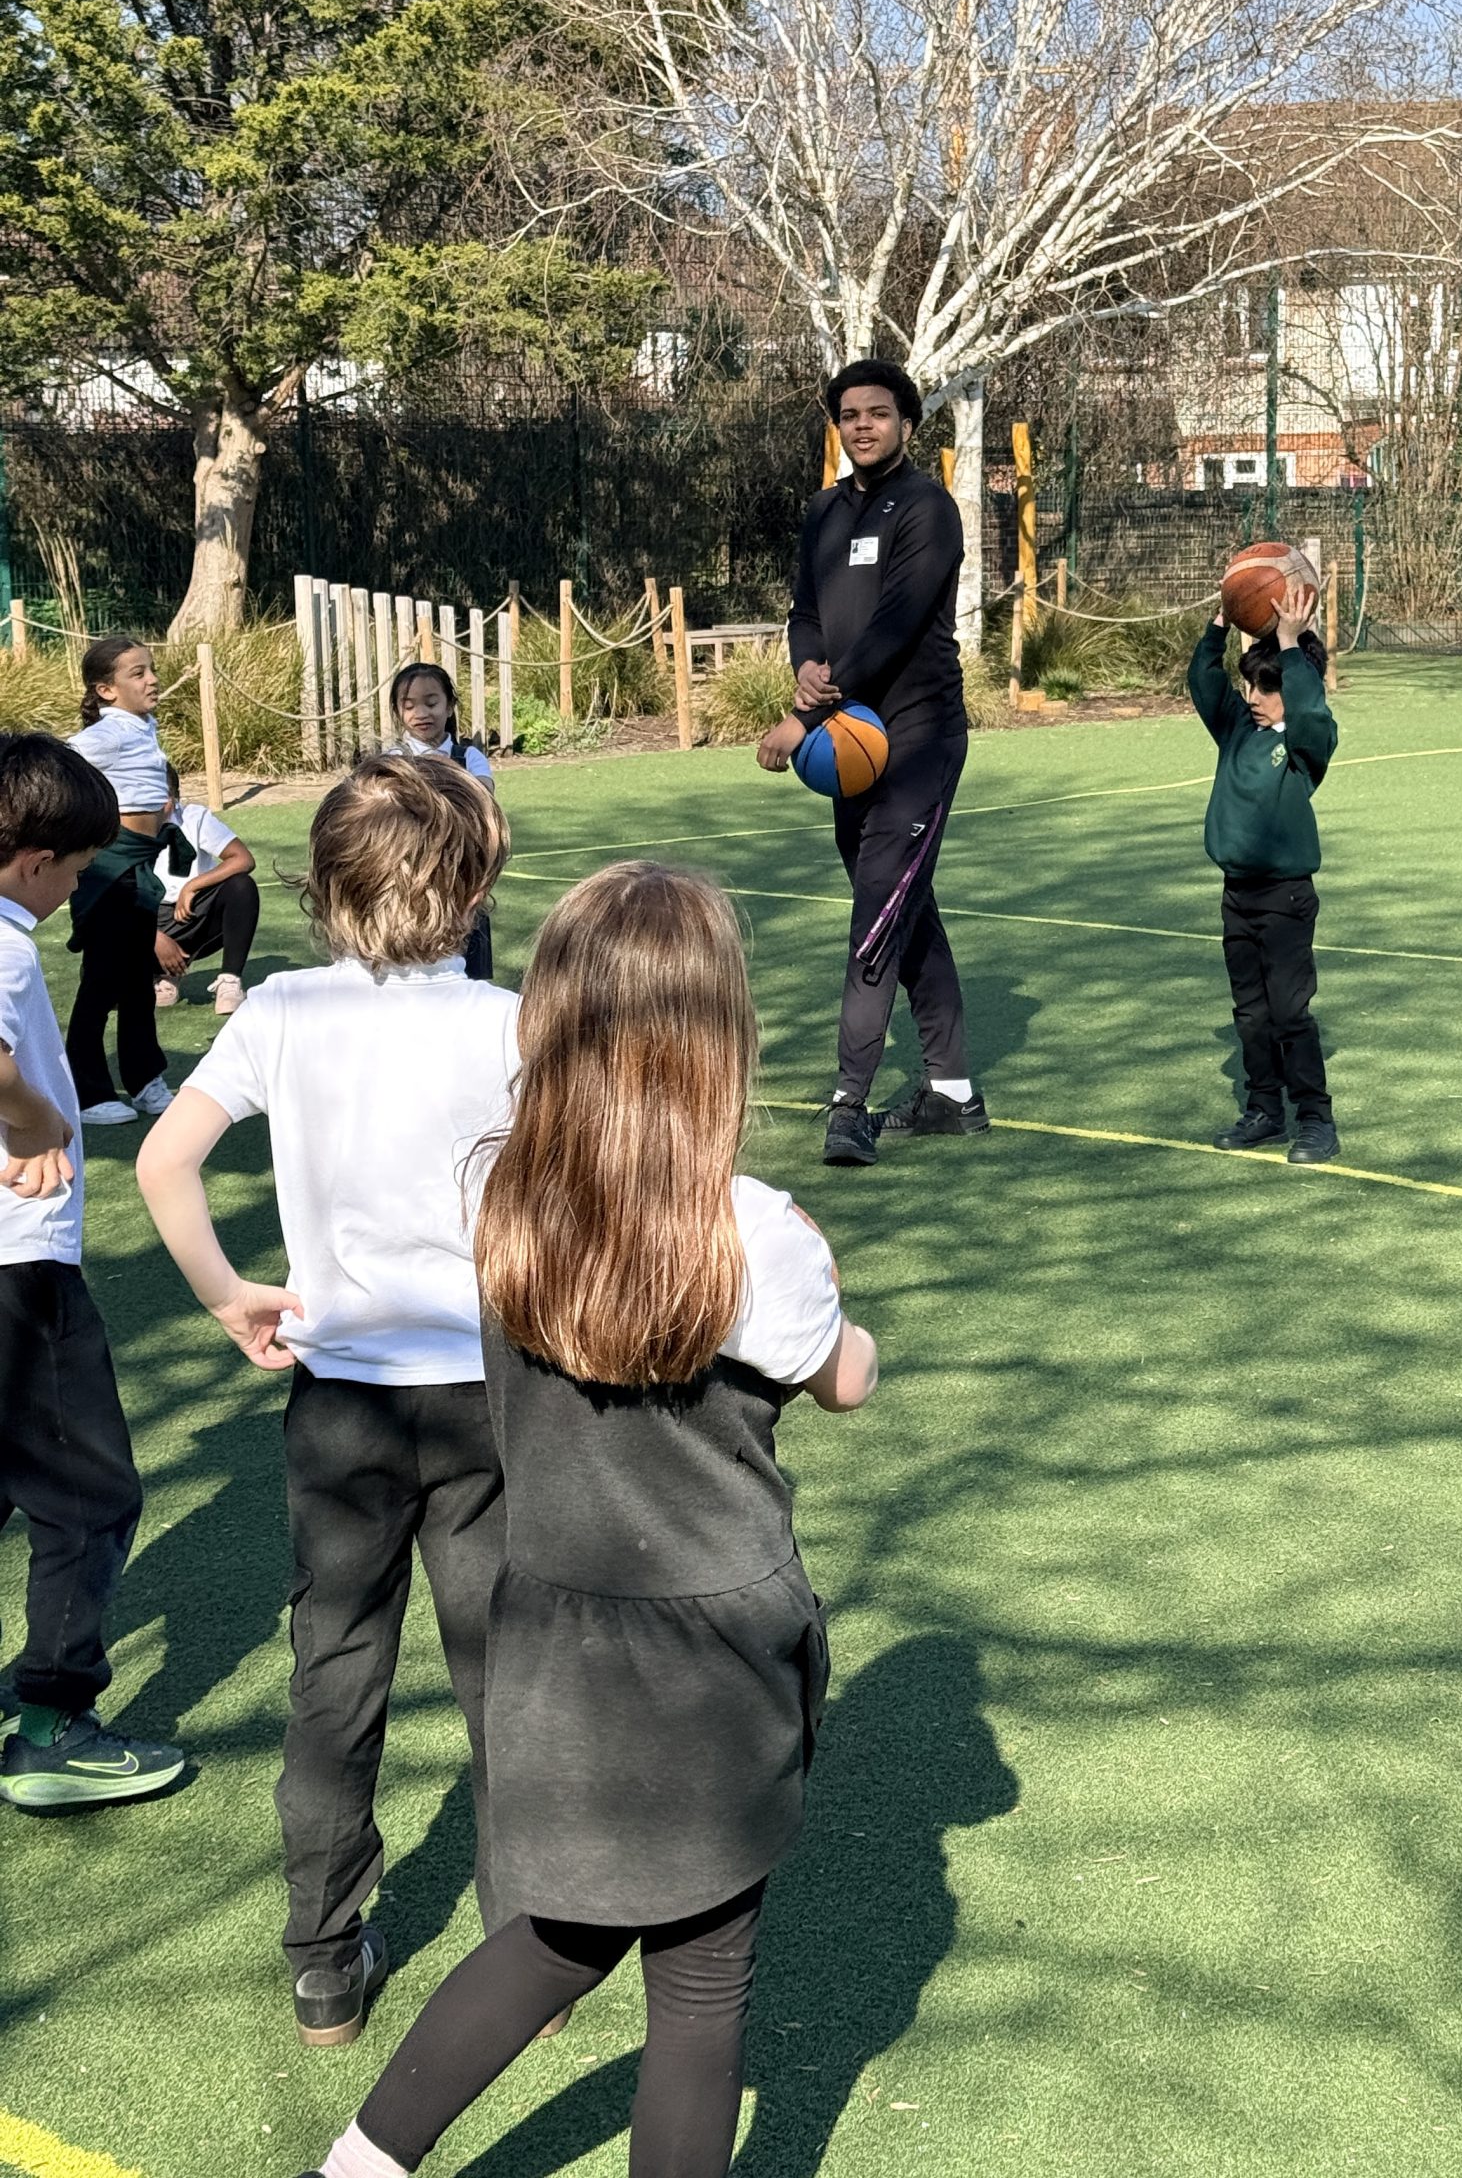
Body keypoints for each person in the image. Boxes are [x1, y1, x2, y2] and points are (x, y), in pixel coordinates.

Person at [300, 861, 877, 2178]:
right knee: (701, 1992)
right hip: (713, 1664)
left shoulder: (500, 1196)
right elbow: (843, 1379)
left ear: (548, 1019)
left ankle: (359, 2164)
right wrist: (840, 1300)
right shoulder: (758, 1234)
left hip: (552, 1643)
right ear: (721, 1035)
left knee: (555, 1936)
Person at [137, 755, 515, 2045]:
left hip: (341, 1402)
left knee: (335, 1670)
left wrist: (224, 1294)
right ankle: (528, 1946)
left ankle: (324, 1959)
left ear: (321, 886)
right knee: (503, 1672)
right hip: (487, 1398)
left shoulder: (283, 1010)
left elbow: (164, 1160)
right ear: (472, 888)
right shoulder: (511, 1021)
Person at [0, 734, 186, 1809]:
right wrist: (31, 1117)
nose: (76, 890)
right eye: (74, 870)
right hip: (20, 1268)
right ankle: (53, 1725)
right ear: (34, 862)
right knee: (89, 1493)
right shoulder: (7, 945)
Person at [756, 360, 985, 1168]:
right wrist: (807, 667)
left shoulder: (927, 508)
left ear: (906, 424)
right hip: (851, 741)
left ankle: (848, 1105)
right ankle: (953, 1093)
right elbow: (805, 611)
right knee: (901, 905)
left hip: (918, 741)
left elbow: (895, 624)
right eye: (849, 414)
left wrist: (800, 716)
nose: (862, 425)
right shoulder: (823, 511)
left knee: (878, 913)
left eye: (878, 413)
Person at [1189, 575, 1340, 1163]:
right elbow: (1204, 680)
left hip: (1286, 899)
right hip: (1237, 896)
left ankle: (1315, 1119)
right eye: (1249, 684)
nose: (1253, 697)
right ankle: (1263, 1110)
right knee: (1250, 1014)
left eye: (1266, 688)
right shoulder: (1236, 731)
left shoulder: (1304, 745)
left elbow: (1310, 710)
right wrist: (1221, 624)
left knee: (1288, 1013)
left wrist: (1292, 643)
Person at [66, 633, 189, 1124]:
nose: (152, 679)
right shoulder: (110, 733)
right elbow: (59, 763)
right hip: (110, 868)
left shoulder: (142, 726)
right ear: (106, 690)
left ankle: (143, 1081)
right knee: (102, 979)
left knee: (138, 978)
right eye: (137, 673)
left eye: (151, 669)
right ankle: (87, 1092)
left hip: (138, 865)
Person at [387, 662, 498, 982]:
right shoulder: (394, 758)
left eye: (431, 702)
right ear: (398, 712)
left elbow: (484, 796)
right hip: (410, 869)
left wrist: (445, 770)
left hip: (462, 869)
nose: (421, 713)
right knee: (414, 952)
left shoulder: (469, 756)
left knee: (469, 948)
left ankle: (474, 987)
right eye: (409, 705)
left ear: (449, 706)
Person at [154, 761, 258, 1013]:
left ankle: (230, 981)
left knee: (241, 886)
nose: (155, 805)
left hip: (191, 914)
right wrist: (152, 937)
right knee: (101, 979)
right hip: (144, 924)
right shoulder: (121, 827)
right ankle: (162, 975)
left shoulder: (194, 818)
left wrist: (192, 886)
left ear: (174, 798)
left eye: (163, 796)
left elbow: (243, 859)